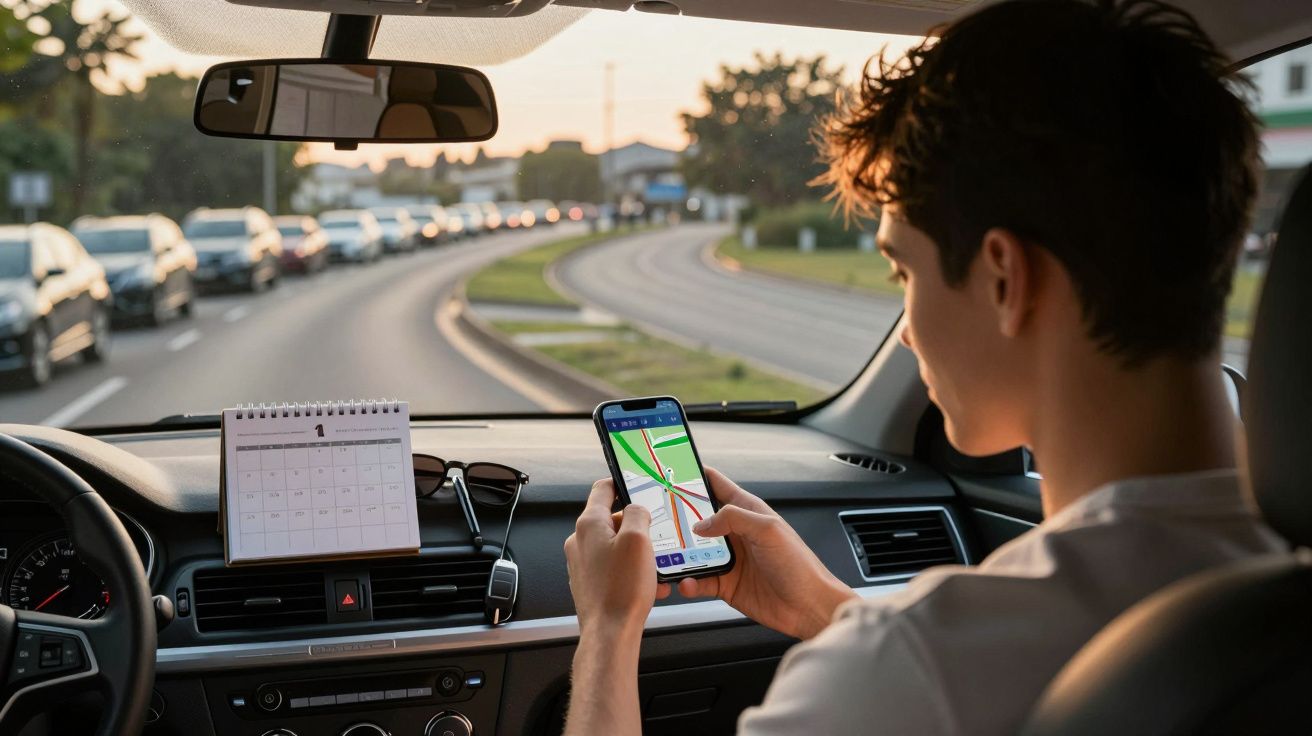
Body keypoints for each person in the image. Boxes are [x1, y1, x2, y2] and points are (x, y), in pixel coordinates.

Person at [562, 0, 1286, 733]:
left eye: (904, 273)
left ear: (1005, 279)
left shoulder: (911, 667)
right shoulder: (1278, 573)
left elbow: (926, 676)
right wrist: (825, 605)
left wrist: (607, 630)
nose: (906, 333)